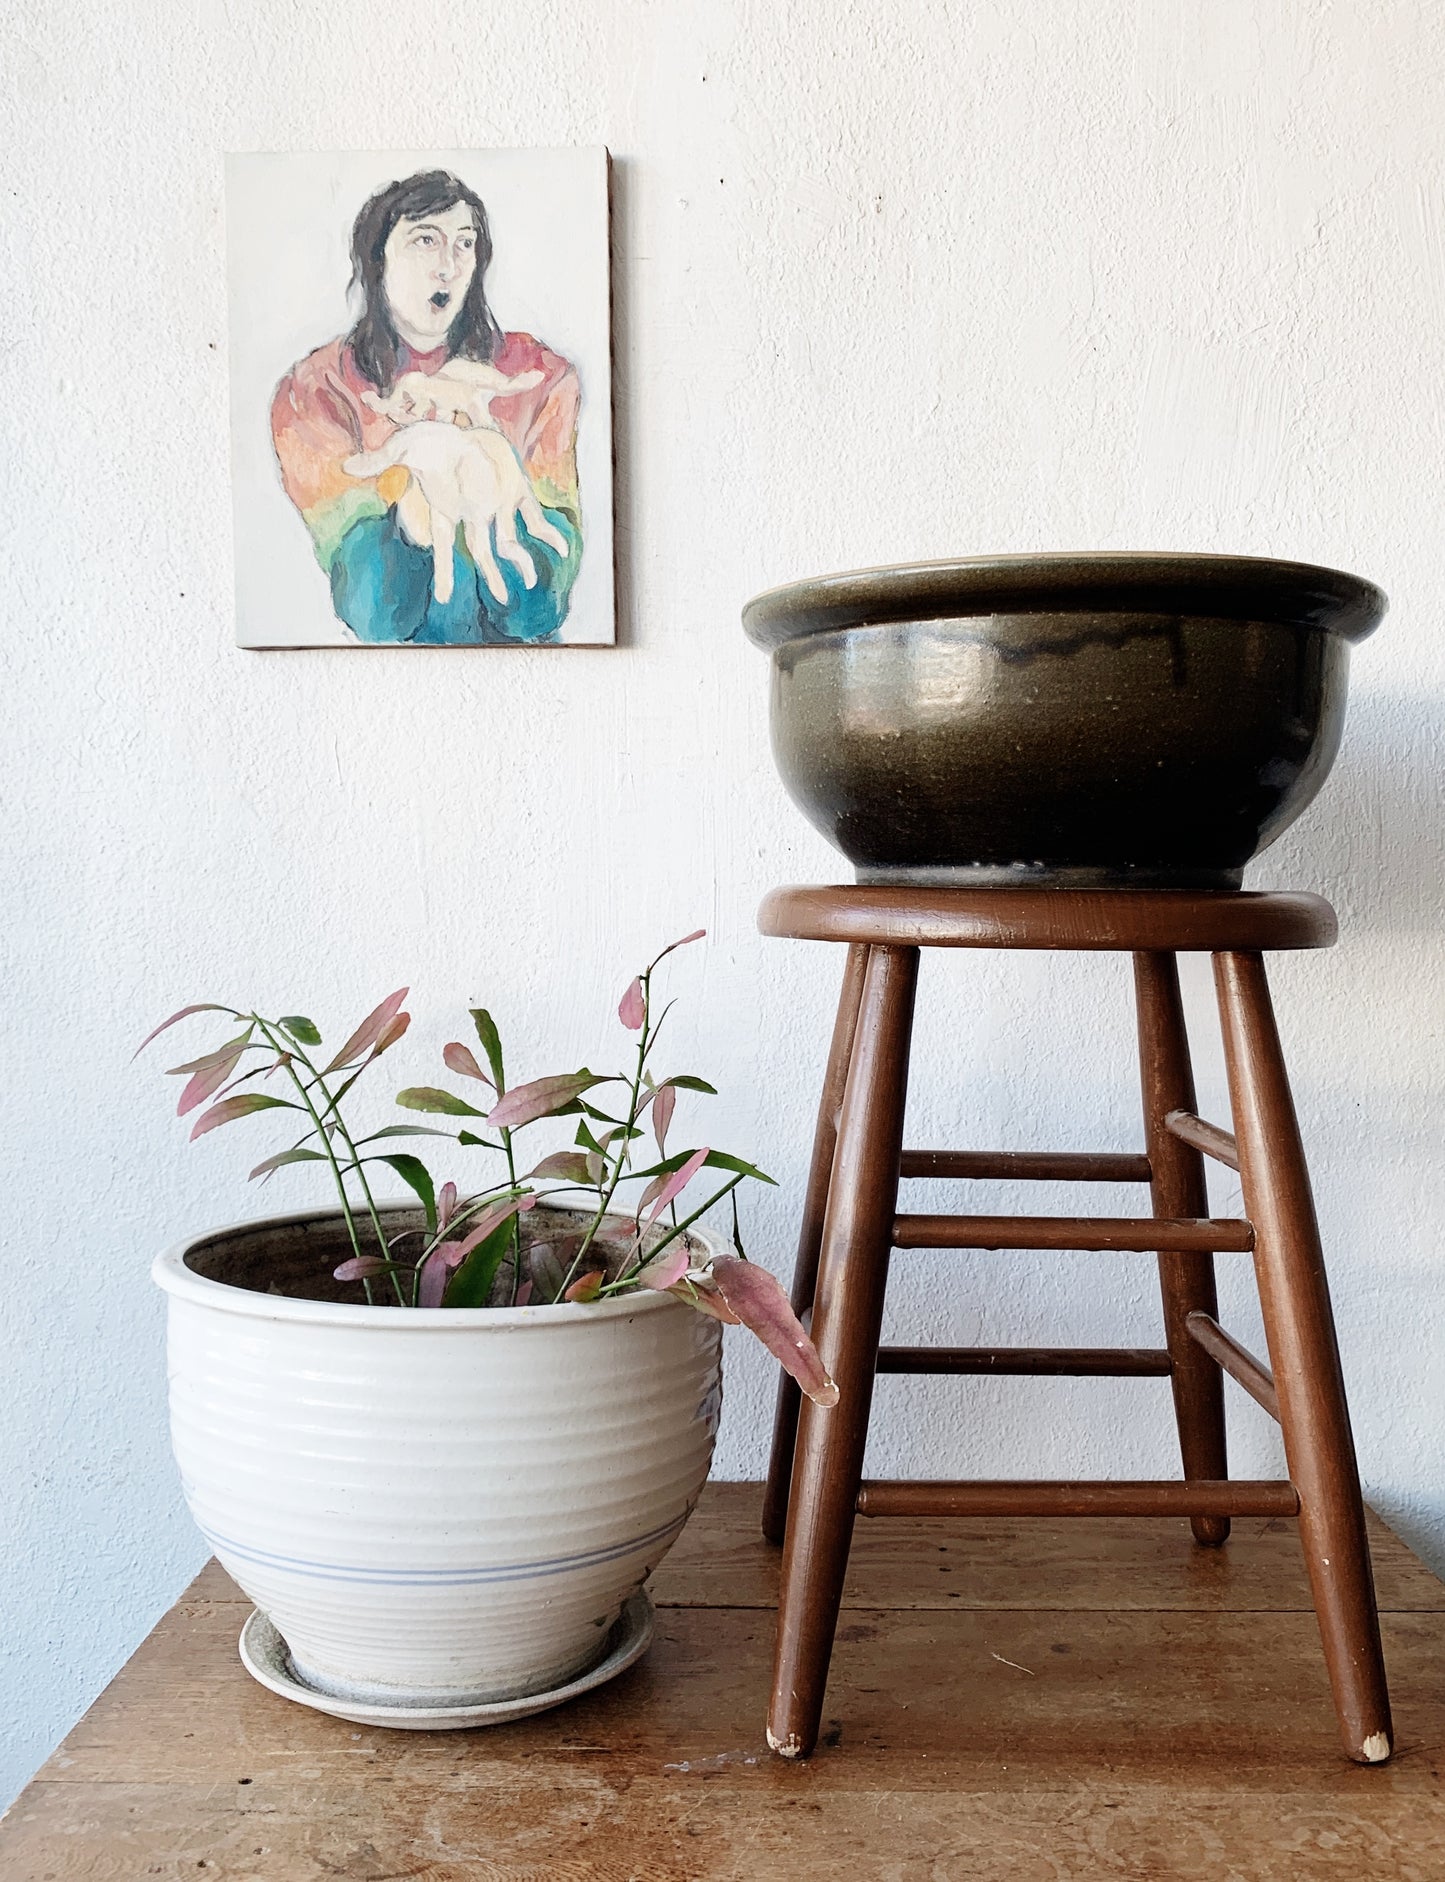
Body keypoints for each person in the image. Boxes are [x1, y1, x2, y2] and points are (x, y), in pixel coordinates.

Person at [271, 171, 582, 645]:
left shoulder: (538, 377)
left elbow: (542, 607)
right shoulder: (317, 391)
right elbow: (374, 612)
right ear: (377, 259)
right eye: (425, 240)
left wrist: (491, 467)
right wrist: (416, 508)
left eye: (464, 244)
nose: (448, 267)